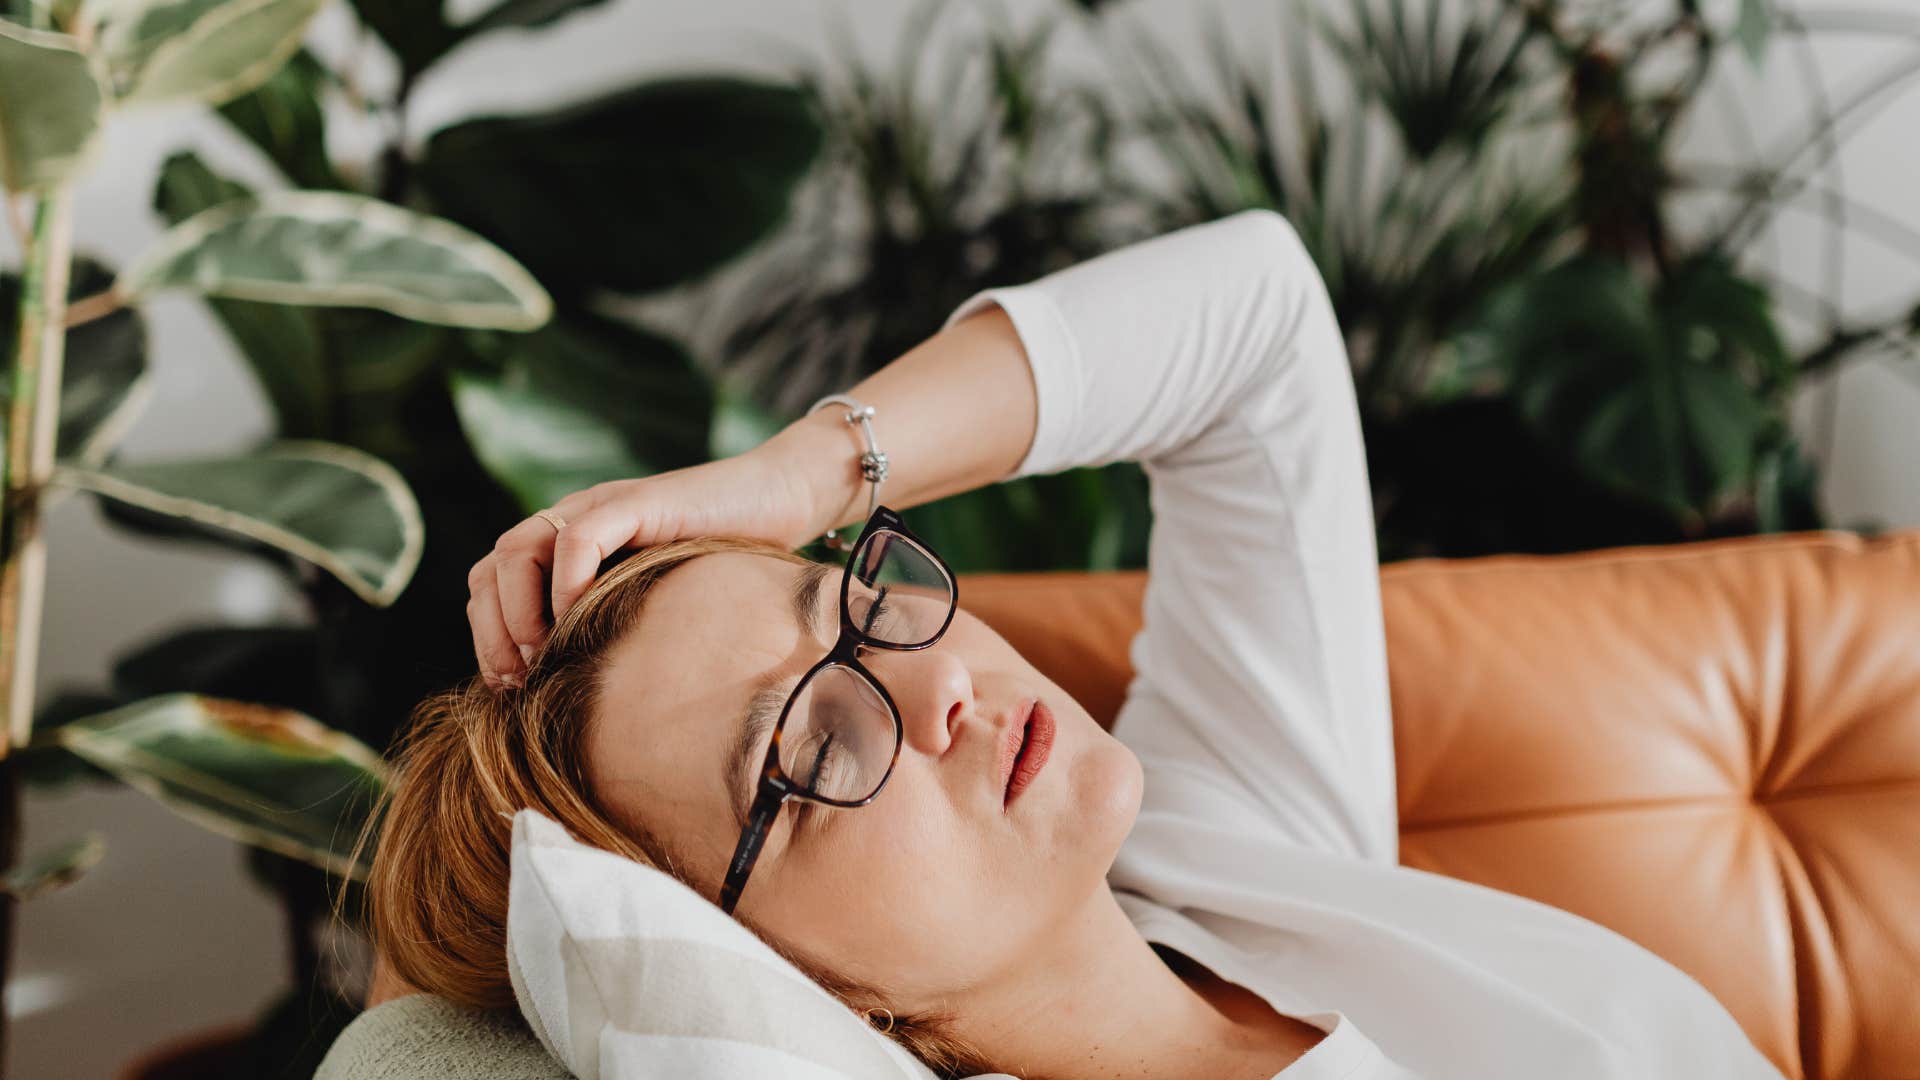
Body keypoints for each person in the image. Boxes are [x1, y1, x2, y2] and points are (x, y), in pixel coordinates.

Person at [364, 211, 1784, 1079]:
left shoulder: (1234, 870)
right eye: (815, 751)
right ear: (803, 989)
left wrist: (803, 479)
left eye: (849, 606)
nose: (937, 691)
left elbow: (1258, 325)